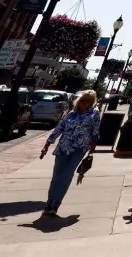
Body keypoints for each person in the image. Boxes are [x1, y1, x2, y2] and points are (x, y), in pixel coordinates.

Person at [39, 88, 100, 216]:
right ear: (80, 100)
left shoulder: (94, 114)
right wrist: (47, 145)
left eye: (89, 101)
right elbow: (59, 128)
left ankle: (55, 205)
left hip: (79, 149)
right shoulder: (71, 114)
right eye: (84, 100)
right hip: (63, 147)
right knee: (56, 177)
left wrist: (91, 152)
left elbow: (95, 132)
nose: (86, 103)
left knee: (66, 177)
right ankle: (49, 203)